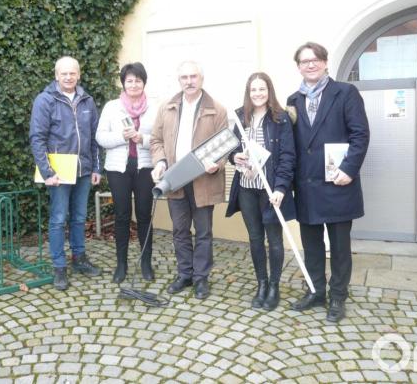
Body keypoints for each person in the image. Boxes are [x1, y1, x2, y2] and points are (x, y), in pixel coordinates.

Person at [286, 42, 369, 323]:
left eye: (315, 60)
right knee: (311, 246)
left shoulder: (345, 93)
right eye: (304, 61)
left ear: (325, 62)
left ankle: (338, 297)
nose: (310, 65)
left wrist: (349, 169)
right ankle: (316, 291)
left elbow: (360, 134)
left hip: (338, 184)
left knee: (340, 247)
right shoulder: (293, 101)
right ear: (298, 66)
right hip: (307, 186)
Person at [150, 61, 228, 300]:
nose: (189, 81)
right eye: (184, 77)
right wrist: (160, 162)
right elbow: (156, 140)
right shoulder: (167, 107)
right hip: (175, 179)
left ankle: (201, 278)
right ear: (179, 80)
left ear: (201, 78)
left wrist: (218, 164)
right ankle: (185, 274)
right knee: (180, 231)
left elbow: (224, 146)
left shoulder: (216, 109)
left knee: (203, 232)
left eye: (193, 76)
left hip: (203, 180)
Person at [30, 56, 103, 291]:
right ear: (56, 75)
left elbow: (94, 137)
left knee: (80, 217)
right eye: (64, 74)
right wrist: (47, 171)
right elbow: (37, 138)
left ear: (79, 75)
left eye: (73, 73)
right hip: (58, 172)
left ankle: (79, 258)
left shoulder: (87, 101)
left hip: (83, 169)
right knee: (59, 218)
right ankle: (59, 266)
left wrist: (96, 168)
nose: (69, 77)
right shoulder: (45, 100)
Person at [225, 72, 296, 311]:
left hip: (270, 191)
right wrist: (235, 157)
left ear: (269, 91)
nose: (257, 94)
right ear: (248, 92)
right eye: (253, 90)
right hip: (247, 189)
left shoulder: (280, 118)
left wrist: (281, 188)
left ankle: (274, 286)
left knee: (274, 240)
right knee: (255, 239)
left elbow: (288, 156)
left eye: (262, 89)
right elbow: (229, 151)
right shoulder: (239, 117)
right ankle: (261, 284)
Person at [96, 62, 157, 283]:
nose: (133, 84)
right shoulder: (112, 107)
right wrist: (122, 137)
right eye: (129, 80)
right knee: (121, 215)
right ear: (123, 83)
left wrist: (143, 139)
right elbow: (100, 137)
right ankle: (121, 264)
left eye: (138, 80)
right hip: (118, 169)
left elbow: (161, 139)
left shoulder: (154, 107)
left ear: (144, 83)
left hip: (145, 168)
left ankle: (145, 262)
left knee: (144, 215)